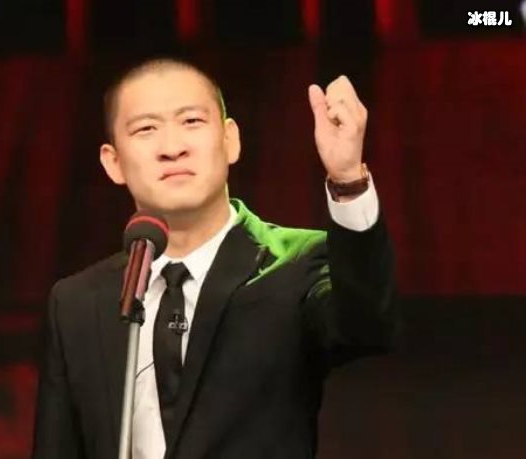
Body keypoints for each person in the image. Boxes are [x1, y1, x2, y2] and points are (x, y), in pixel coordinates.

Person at [32, 57, 398, 459]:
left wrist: (348, 180)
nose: (172, 148)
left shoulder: (296, 264)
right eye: (146, 129)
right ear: (113, 162)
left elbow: (366, 326)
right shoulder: (77, 303)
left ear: (230, 140)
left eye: (191, 121)